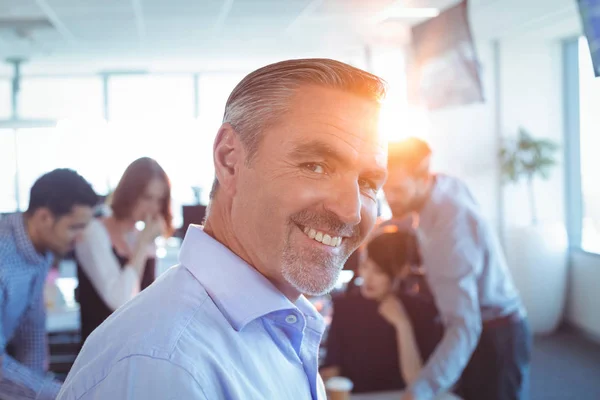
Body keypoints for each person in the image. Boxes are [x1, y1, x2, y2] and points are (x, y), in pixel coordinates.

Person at [57, 59, 389, 400]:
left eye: (367, 182)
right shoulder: (166, 368)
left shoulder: (276, 324)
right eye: (316, 166)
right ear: (230, 160)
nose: (350, 210)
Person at [383, 137, 532, 400]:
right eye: (385, 189)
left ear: (422, 178)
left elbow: (464, 325)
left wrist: (419, 390)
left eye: (397, 190)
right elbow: (419, 220)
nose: (389, 197)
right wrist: (384, 226)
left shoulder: (450, 232)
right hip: (487, 328)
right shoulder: (441, 186)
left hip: (494, 338)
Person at [0, 169, 97, 400]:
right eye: (74, 227)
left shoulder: (39, 250)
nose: (80, 237)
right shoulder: (4, 258)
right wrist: (60, 394)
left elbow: (31, 328)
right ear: (44, 217)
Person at [320, 228, 444, 394]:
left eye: (378, 271)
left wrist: (403, 325)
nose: (367, 278)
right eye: (364, 267)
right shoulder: (345, 307)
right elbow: (331, 370)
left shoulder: (422, 310)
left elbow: (416, 383)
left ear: (401, 271)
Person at [74, 157, 172, 343]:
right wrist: (142, 245)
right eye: (147, 197)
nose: (153, 207)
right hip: (103, 350)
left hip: (138, 346)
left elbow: (152, 299)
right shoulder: (94, 233)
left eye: (159, 200)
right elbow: (121, 300)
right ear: (130, 193)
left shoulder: (139, 235)